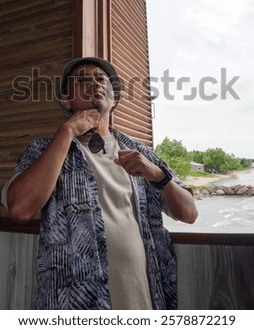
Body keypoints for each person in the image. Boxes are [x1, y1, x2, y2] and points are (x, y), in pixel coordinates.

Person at [1, 57, 198, 310]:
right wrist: (67, 131)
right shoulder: (42, 150)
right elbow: (19, 209)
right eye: (82, 80)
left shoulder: (140, 152)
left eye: (100, 79)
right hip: (75, 304)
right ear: (66, 100)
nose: (93, 83)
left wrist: (159, 176)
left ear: (113, 98)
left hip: (144, 297)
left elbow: (189, 213)